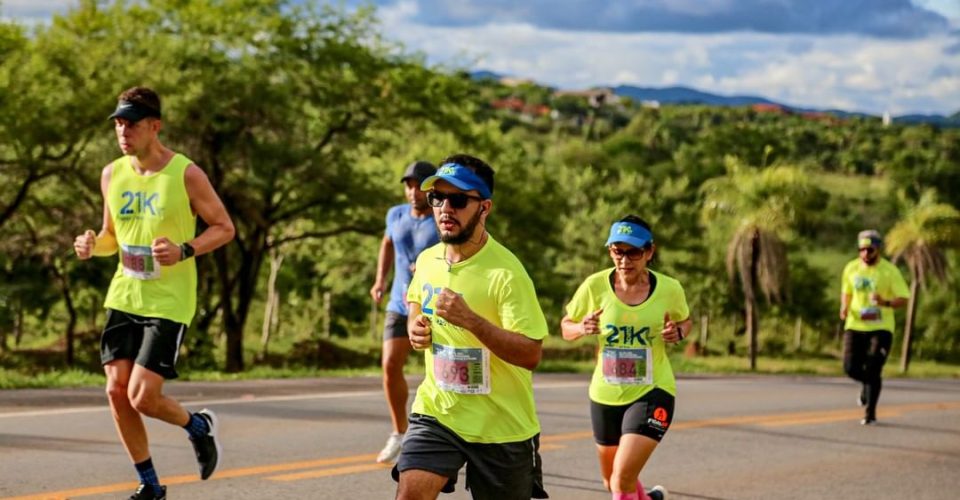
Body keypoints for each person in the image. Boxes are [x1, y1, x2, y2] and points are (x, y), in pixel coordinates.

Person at [73, 87, 235, 500]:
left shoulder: (185, 173)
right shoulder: (112, 173)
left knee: (143, 396)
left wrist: (184, 250)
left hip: (169, 300)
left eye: (131, 123)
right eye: (118, 123)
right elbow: (112, 236)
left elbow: (224, 228)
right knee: (115, 390)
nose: (122, 131)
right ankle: (150, 484)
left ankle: (198, 427)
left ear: (155, 126)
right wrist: (94, 245)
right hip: (124, 294)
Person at [392, 154, 549, 500]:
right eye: (437, 198)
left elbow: (531, 353)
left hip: (501, 425)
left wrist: (472, 321)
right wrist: (416, 323)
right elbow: (416, 298)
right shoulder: (428, 260)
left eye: (459, 200)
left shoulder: (507, 273)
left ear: (484, 207)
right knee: (410, 495)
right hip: (438, 410)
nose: (445, 208)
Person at [561, 216, 691, 500]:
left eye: (633, 252)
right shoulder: (594, 286)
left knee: (621, 478)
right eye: (618, 251)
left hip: (652, 390)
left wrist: (677, 332)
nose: (624, 259)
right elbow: (565, 327)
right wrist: (581, 328)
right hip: (605, 394)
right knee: (612, 481)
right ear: (610, 251)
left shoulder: (669, 289)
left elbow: (685, 321)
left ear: (649, 252)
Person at [369, 160, 440, 464]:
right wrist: (379, 279)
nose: (413, 191)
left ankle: (443, 436)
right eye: (408, 185)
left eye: (419, 185)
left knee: (439, 373)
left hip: (433, 305)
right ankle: (400, 432)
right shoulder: (395, 214)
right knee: (389, 366)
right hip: (400, 303)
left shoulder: (441, 218)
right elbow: (387, 244)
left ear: (431, 189)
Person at [839, 229, 909, 425]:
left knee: (873, 368)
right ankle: (866, 384)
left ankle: (870, 413)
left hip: (881, 327)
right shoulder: (851, 268)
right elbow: (846, 291)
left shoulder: (889, 271)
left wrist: (885, 302)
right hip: (855, 324)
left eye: (870, 250)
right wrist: (844, 306)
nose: (865, 254)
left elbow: (903, 298)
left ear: (878, 249)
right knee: (850, 367)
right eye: (861, 250)